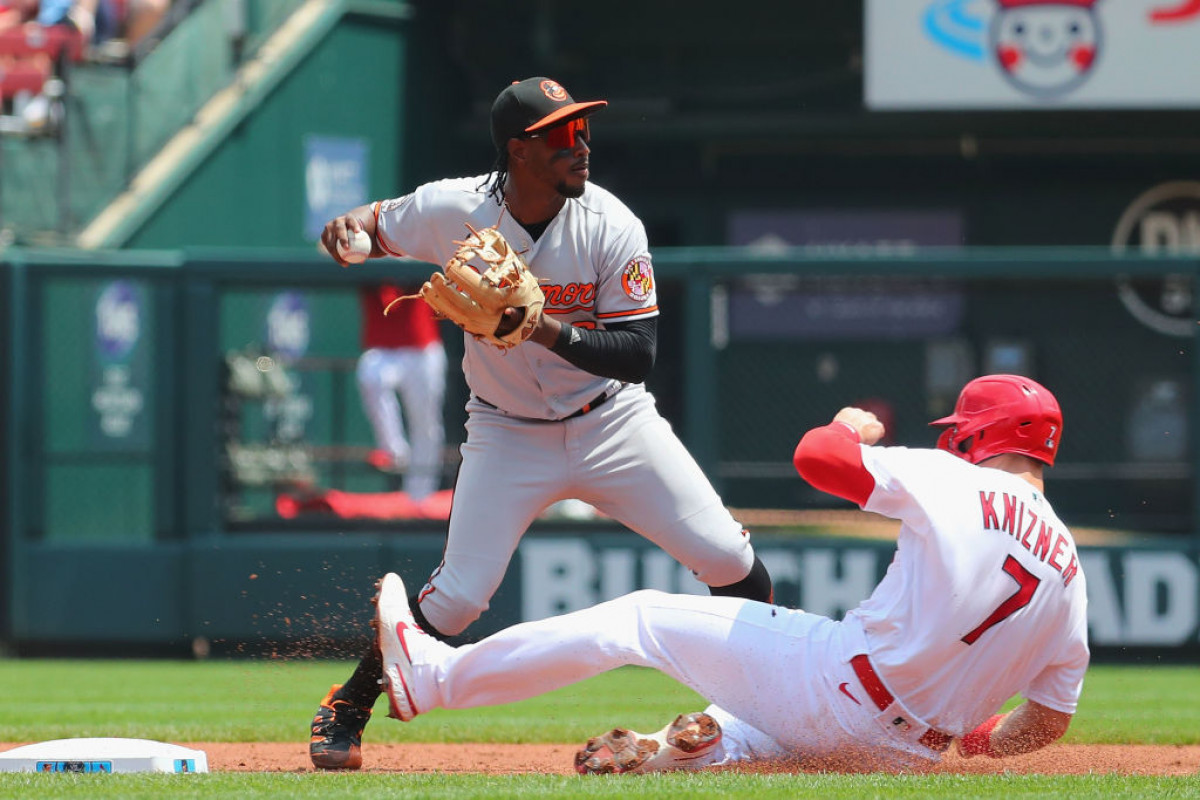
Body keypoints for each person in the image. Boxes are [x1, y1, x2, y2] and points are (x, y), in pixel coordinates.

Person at [308, 76, 774, 770]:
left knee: (732, 562)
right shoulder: (452, 207)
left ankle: (765, 707)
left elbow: (638, 355)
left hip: (611, 422)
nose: (581, 144)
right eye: (563, 134)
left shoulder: (611, 223)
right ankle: (347, 706)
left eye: (584, 130)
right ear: (520, 149)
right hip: (506, 431)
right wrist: (345, 230)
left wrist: (540, 327)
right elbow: (369, 227)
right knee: (458, 600)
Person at [367, 374, 1089, 773]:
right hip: (904, 757)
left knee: (640, 618)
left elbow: (817, 459)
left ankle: (432, 680)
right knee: (756, 725)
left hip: (840, 686)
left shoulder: (953, 479)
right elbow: (1050, 722)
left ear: (975, 435)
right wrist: (976, 740)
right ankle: (680, 750)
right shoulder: (1072, 573)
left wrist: (850, 427)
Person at [356, 283, 447, 502]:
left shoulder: (414, 250)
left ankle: (421, 495)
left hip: (422, 346)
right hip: (382, 347)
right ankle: (395, 451)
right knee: (370, 376)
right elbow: (331, 253)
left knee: (425, 423)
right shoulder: (371, 251)